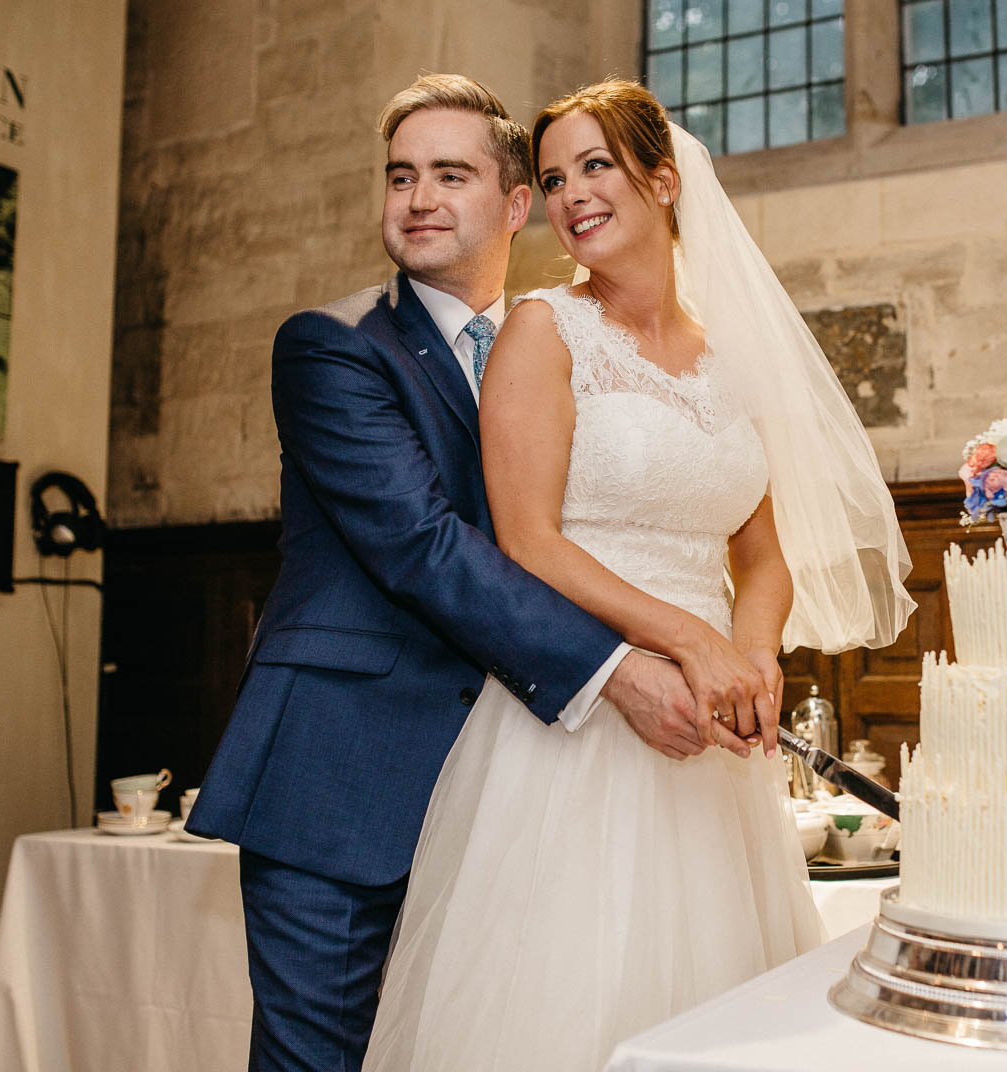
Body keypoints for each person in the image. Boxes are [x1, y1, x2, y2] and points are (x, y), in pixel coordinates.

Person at [185, 74, 764, 1071]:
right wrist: (625, 669)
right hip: (344, 777)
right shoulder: (337, 346)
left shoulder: (557, 340)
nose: (417, 199)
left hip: (505, 788)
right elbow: (426, 549)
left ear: (513, 206)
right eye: (400, 175)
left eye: (450, 175)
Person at [363, 80, 913, 1072]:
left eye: (596, 166)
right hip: (578, 722)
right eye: (556, 176)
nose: (572, 194)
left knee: (715, 990)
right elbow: (527, 542)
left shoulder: (730, 358)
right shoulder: (543, 331)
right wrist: (689, 638)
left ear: (663, 181)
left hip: (708, 745)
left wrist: (750, 654)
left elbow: (761, 552)